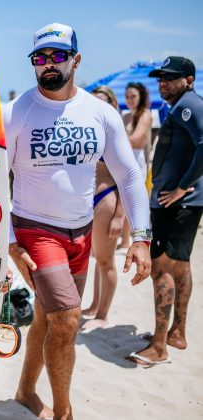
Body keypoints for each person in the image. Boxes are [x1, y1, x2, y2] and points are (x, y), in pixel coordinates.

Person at [3, 23, 152, 419]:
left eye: (57, 56)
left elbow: (130, 175)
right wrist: (7, 239)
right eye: (39, 58)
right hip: (34, 228)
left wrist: (141, 236)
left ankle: (24, 391)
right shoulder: (15, 112)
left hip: (81, 232)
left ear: (76, 59)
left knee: (45, 317)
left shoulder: (101, 113)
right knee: (68, 319)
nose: (48, 65)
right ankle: (64, 412)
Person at [126, 56, 203, 367]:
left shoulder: (189, 104)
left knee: (161, 270)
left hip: (177, 203)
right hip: (183, 202)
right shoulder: (181, 105)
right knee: (181, 268)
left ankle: (158, 347)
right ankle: (176, 333)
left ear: (189, 80)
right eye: (160, 78)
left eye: (171, 77)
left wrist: (183, 187)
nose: (163, 82)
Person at [81, 86, 126, 330]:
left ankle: (103, 314)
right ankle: (95, 305)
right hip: (89, 200)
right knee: (96, 258)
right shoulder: (90, 131)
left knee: (106, 260)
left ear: (112, 104)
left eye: (103, 102)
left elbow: (128, 178)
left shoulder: (114, 133)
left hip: (107, 198)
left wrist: (120, 215)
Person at [118, 82, 153, 250]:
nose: (129, 100)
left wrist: (117, 124)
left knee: (136, 201)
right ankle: (125, 241)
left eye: (133, 96)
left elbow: (135, 141)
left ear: (141, 97)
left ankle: (141, 240)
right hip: (123, 159)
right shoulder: (125, 116)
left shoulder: (145, 115)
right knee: (122, 201)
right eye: (127, 96)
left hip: (137, 159)